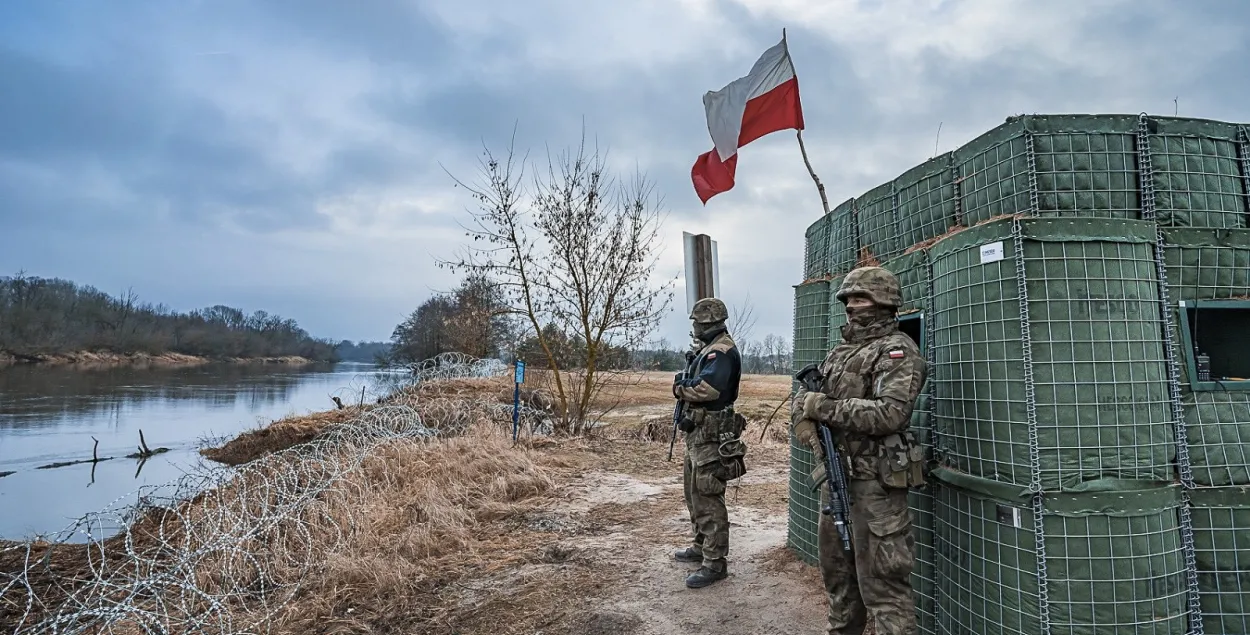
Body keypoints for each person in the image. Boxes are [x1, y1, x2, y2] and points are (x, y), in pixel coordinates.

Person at [792, 266, 927, 635]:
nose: (852, 306)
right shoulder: (840, 352)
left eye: (861, 297)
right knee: (839, 582)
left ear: (884, 302)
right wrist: (805, 425)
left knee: (884, 590)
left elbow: (890, 414)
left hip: (875, 491)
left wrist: (821, 408)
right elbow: (803, 400)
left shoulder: (897, 351)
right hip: (835, 484)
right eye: (848, 299)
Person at [671, 297, 747, 589]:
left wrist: (679, 387)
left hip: (712, 435)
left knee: (707, 496)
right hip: (699, 434)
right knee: (693, 493)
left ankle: (715, 563)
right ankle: (701, 546)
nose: (693, 327)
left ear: (708, 323)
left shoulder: (721, 352)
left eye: (696, 322)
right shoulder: (707, 350)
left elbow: (708, 389)